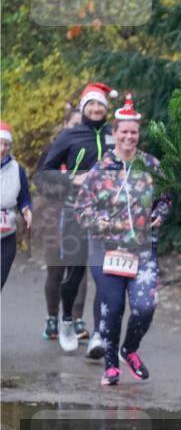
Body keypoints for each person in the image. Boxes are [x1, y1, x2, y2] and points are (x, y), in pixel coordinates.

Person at [74, 94, 170, 386]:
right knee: (112, 307)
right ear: (114, 133)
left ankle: (130, 348)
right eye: (123, 131)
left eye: (134, 132)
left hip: (142, 250)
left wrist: (161, 214)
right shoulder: (100, 169)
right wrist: (97, 222)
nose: (129, 136)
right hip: (105, 250)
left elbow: (166, 199)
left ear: (138, 134)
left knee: (145, 306)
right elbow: (81, 208)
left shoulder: (152, 165)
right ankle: (111, 364)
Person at [37, 82, 117, 354]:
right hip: (75, 212)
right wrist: (73, 177)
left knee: (108, 275)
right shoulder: (69, 136)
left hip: (109, 215)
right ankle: (67, 321)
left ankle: (99, 333)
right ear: (84, 107)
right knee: (75, 272)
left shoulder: (112, 134)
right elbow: (43, 174)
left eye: (101, 104)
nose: (96, 108)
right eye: (91, 104)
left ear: (106, 109)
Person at [35, 104, 89, 340]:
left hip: (80, 216)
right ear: (66, 125)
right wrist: (67, 184)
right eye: (74, 125)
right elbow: (40, 181)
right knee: (55, 270)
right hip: (53, 218)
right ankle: (52, 318)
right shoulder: (52, 149)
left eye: (81, 126)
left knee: (79, 270)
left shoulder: (88, 149)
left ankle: (77, 319)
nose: (77, 129)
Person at [0, 121, 33, 289]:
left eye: (6, 144)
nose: (3, 148)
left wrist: (26, 209)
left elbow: (24, 197)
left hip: (7, 235)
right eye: (0, 143)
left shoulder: (17, 169)